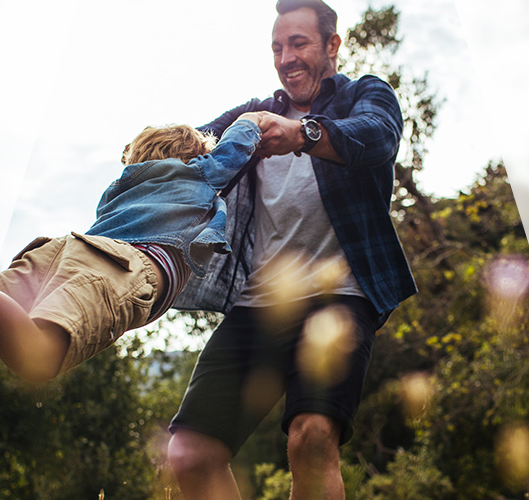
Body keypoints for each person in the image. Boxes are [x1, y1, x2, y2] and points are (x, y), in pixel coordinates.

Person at [166, 1, 417, 499]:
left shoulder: (364, 96)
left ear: (332, 46)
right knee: (190, 454)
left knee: (313, 438)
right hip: (259, 304)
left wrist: (302, 134)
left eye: (298, 43)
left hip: (341, 297)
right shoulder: (253, 117)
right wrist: (154, 157)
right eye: (278, 48)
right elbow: (192, 146)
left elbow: (377, 136)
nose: (286, 57)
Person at [0, 114, 263, 383]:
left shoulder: (120, 188)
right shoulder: (198, 174)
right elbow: (235, 146)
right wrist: (253, 119)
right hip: (122, 264)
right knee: (39, 353)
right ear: (195, 157)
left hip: (64, 249)